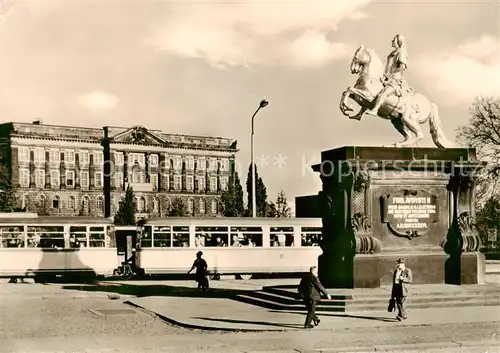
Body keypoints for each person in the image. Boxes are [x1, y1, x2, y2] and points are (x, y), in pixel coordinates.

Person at [366, 34, 412, 117]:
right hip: (387, 77)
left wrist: (391, 75)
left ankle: (375, 110)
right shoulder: (393, 52)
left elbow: (402, 67)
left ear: (399, 42)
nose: (392, 41)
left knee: (383, 93)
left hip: (395, 80)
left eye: (393, 40)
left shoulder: (401, 52)